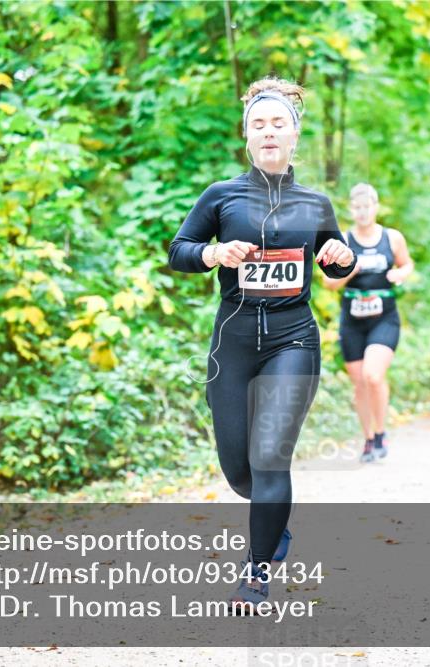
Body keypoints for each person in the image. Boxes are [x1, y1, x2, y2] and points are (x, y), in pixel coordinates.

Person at [168, 77, 356, 611]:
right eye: (258, 125)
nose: (268, 133)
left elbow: (337, 262)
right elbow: (179, 250)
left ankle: (255, 576)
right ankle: (273, 523)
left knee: (271, 457)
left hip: (293, 339)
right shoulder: (221, 196)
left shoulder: (316, 204)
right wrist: (213, 254)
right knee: (239, 469)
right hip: (233, 342)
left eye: (278, 125)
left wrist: (343, 261)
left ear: (294, 137)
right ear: (246, 137)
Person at [322, 183, 414, 463]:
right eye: (357, 207)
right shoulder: (343, 241)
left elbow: (407, 264)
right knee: (359, 382)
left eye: (367, 206)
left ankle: (381, 431)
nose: (362, 212)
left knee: (373, 375)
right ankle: (368, 439)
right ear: (351, 209)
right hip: (352, 320)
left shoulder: (392, 237)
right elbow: (329, 283)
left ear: (375, 207)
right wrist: (351, 270)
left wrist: (400, 275)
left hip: (384, 317)